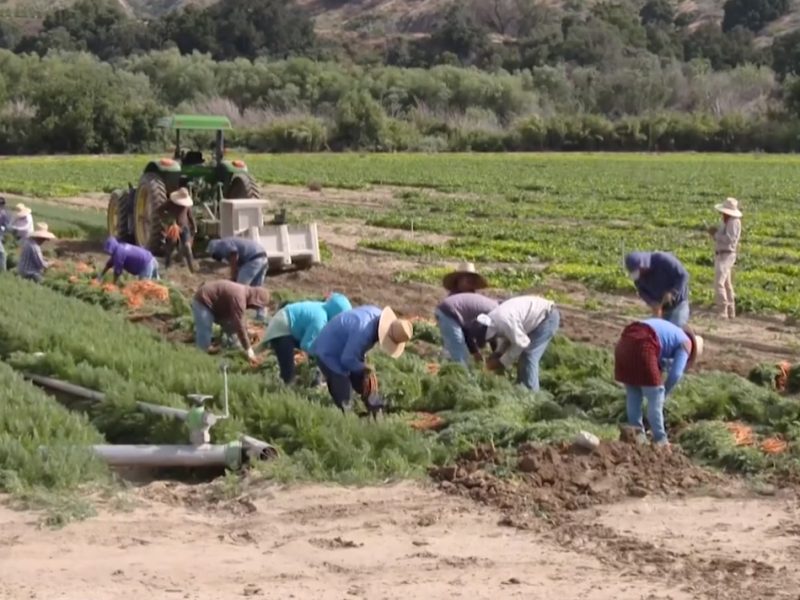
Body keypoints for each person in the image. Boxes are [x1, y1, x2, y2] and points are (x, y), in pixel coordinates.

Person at [614, 319, 703, 447]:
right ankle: (661, 440)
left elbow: (660, 360)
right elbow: (676, 374)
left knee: (634, 392)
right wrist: (663, 393)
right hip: (644, 344)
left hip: (624, 343)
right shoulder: (686, 343)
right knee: (655, 395)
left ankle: (637, 436)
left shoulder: (671, 332)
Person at [311, 306, 413, 412]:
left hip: (344, 347)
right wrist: (364, 367)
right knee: (345, 399)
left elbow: (355, 350)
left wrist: (363, 370)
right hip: (328, 353)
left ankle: (373, 405)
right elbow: (347, 360)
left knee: (365, 380)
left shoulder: (376, 315)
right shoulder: (363, 331)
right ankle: (346, 418)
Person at [471, 295, 560, 392]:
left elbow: (521, 344)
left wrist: (501, 362)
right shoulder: (494, 320)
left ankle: (533, 395)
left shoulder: (504, 321)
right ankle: (521, 388)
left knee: (529, 355)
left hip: (547, 317)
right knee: (523, 354)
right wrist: (498, 353)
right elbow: (509, 338)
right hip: (532, 319)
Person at [259, 292, 352, 384]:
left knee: (317, 350)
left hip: (289, 326)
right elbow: (306, 344)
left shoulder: (323, 309)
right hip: (282, 328)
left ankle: (313, 379)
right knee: (288, 371)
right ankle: (287, 388)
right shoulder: (320, 320)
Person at [192, 280, 270, 365]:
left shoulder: (244, 294)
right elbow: (239, 324)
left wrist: (246, 332)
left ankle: (232, 346)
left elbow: (239, 320)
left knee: (231, 325)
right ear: (255, 299)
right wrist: (248, 349)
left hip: (219, 305)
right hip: (203, 301)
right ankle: (200, 360)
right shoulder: (239, 298)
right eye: (256, 306)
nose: (254, 308)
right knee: (205, 331)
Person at [207, 237, 268, 320]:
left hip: (253, 259)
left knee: (239, 289)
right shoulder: (231, 242)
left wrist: (233, 275)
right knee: (256, 289)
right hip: (263, 257)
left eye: (214, 255)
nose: (217, 258)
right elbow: (237, 260)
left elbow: (233, 254)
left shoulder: (222, 244)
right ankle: (261, 315)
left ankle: (237, 316)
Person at [624, 251, 690, 327]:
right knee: (655, 331)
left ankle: (690, 336)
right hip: (662, 308)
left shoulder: (663, 260)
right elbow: (641, 291)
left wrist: (672, 292)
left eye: (640, 270)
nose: (640, 274)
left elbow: (684, 275)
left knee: (675, 327)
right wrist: (652, 303)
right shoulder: (638, 276)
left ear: (643, 264)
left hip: (679, 304)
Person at [434, 292, 499, 366]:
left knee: (457, 349)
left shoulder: (494, 310)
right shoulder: (495, 313)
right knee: (458, 349)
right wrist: (476, 353)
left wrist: (494, 355)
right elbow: (469, 334)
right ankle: (460, 374)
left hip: (451, 311)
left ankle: (450, 368)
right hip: (450, 312)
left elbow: (492, 335)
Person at [707, 197, 742, 319]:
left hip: (727, 254)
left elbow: (730, 239)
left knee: (719, 283)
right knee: (727, 283)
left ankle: (723, 311)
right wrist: (716, 233)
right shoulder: (726, 220)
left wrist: (715, 234)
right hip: (721, 253)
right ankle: (731, 311)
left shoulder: (734, 222)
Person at [162, 187, 196, 273]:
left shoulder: (186, 205)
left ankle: (192, 269)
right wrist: (168, 219)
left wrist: (194, 226)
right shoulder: (170, 203)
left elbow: (190, 216)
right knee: (171, 245)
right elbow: (159, 211)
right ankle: (167, 267)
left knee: (187, 247)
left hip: (184, 228)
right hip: (173, 227)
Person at [0, 197, 9, 272]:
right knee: (2, 254)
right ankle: (3, 272)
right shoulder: (3, 213)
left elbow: (6, 225)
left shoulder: (4, 213)